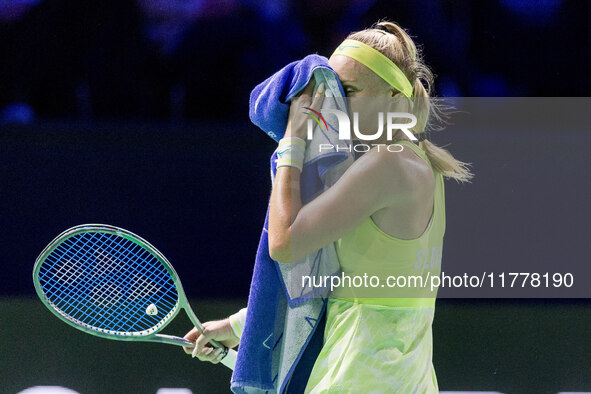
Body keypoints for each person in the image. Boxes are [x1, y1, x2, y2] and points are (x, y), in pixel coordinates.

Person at [183, 20, 472, 392]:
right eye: (332, 90)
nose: (332, 105)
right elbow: (344, 283)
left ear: (394, 101)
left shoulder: (390, 163)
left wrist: (291, 143)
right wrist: (238, 327)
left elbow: (284, 242)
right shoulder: (412, 164)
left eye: (348, 91)